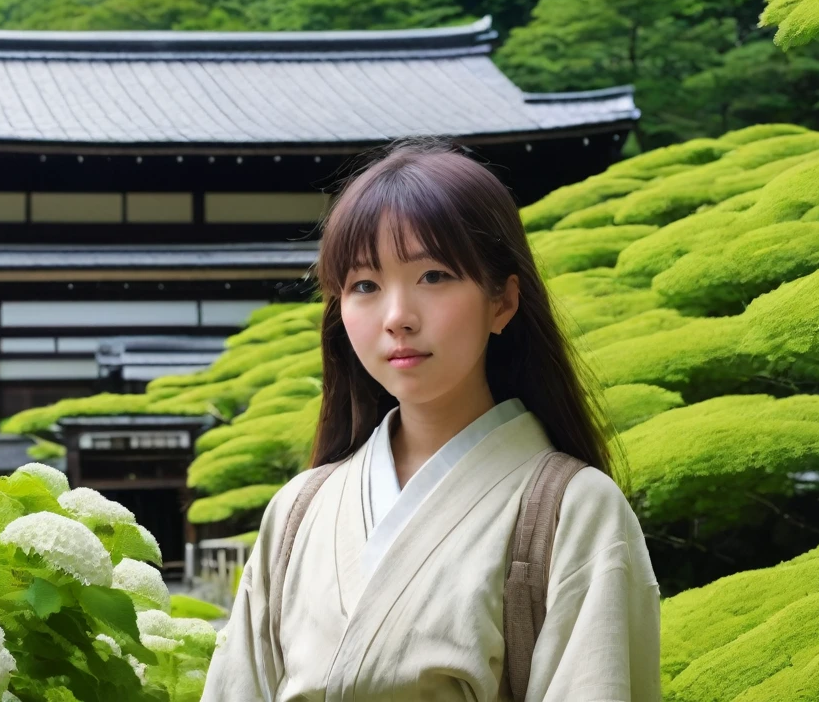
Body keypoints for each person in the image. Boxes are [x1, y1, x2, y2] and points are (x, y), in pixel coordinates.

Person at [199, 138, 661, 702]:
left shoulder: (574, 510)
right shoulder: (298, 511)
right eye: (364, 285)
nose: (397, 317)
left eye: (434, 276)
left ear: (502, 303)